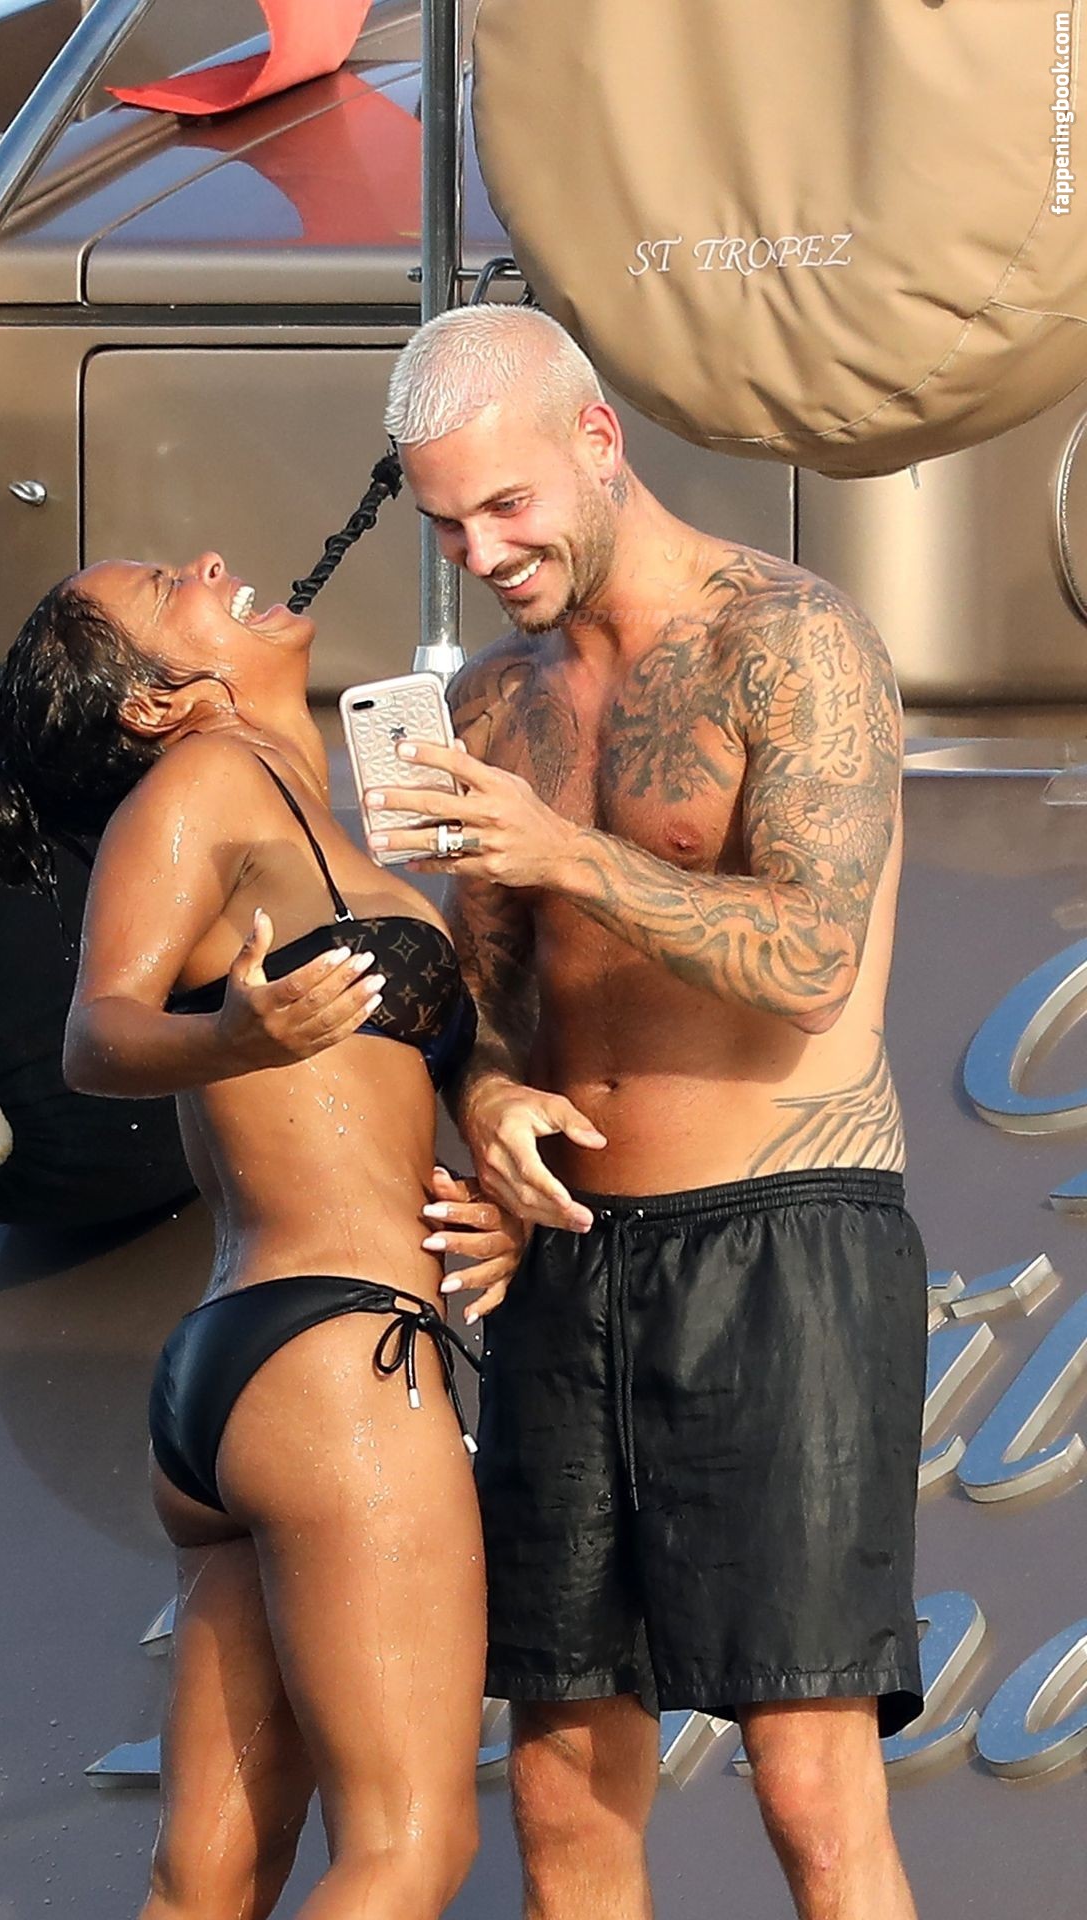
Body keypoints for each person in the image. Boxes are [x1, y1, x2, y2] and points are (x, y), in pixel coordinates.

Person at [371, 304, 928, 1920]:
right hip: (571, 1259)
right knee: (560, 1787)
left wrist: (567, 853)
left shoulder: (792, 639)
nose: (483, 552)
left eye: (508, 505)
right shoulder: (492, 703)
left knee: (810, 1783)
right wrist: (489, 1098)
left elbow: (814, 959)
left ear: (598, 441)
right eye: (448, 525)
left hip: (783, 1237)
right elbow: (487, 995)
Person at [0, 551, 522, 1920]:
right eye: (171, 585)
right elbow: (97, 1033)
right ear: (155, 703)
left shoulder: (291, 795)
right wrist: (232, 1035)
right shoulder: (203, 783)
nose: (213, 561)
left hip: (252, 1373)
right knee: (409, 1850)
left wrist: (490, 1193)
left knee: (205, 1882)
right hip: (336, 1363)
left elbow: (370, 1095)